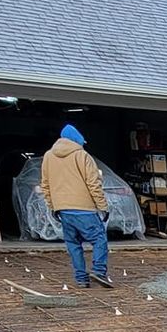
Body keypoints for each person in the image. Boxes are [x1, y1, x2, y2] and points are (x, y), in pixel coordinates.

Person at [38, 123, 111, 287]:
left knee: (73, 244)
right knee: (99, 239)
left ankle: (81, 279)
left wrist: (53, 206)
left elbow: (45, 184)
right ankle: (99, 271)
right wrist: (103, 207)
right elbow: (94, 183)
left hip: (63, 210)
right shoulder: (82, 156)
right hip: (84, 208)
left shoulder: (48, 157)